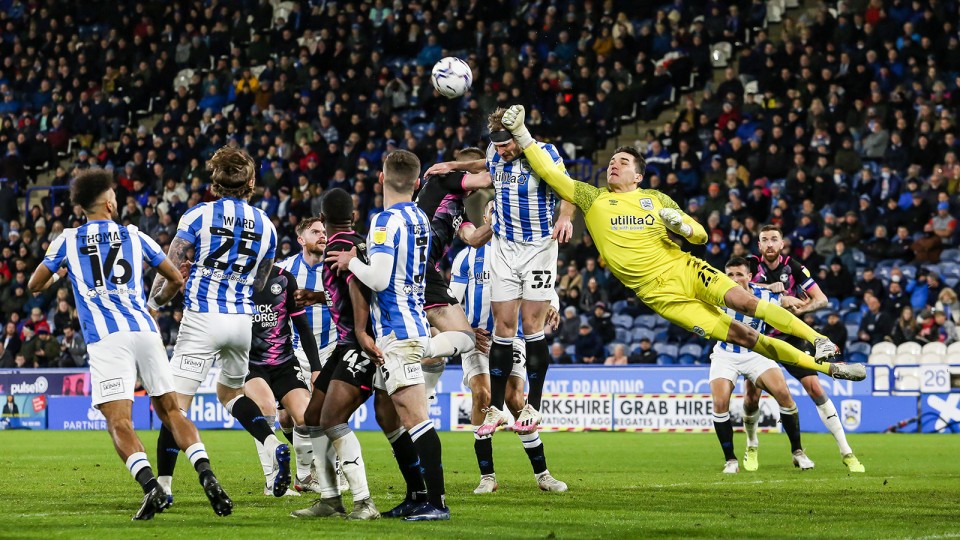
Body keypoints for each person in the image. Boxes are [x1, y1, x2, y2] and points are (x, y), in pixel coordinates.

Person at [496, 105, 863, 385]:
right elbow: (549, 172)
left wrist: (682, 224)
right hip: (659, 295)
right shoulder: (592, 198)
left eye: (622, 162)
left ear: (638, 174)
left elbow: (701, 237)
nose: (613, 165)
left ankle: (820, 341)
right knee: (745, 336)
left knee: (746, 302)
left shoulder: (655, 198)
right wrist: (522, 132)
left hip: (683, 269)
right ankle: (826, 369)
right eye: (611, 161)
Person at [28, 168, 231, 520]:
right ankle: (207, 475)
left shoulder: (67, 240)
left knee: (119, 422)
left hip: (107, 339)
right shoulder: (135, 236)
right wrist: (157, 302)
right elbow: (174, 277)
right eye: (115, 197)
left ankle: (152, 487)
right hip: (145, 330)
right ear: (108, 203)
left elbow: (34, 285)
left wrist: (61, 272)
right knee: (171, 412)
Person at [148, 146, 291, 499]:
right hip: (241, 322)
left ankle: (164, 485)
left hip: (202, 318)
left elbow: (172, 270)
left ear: (214, 183)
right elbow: (260, 284)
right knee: (230, 393)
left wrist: (154, 303)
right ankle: (272, 444)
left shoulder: (197, 217)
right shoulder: (267, 226)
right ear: (251, 182)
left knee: (175, 406)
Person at [426, 108, 577, 436]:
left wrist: (565, 218)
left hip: (537, 247)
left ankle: (532, 405)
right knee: (503, 329)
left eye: (508, 145)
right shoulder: (496, 153)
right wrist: (453, 165)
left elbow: (569, 190)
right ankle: (495, 408)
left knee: (531, 327)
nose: (503, 152)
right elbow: (482, 164)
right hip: (505, 250)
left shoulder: (544, 153)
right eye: (499, 146)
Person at [327, 150, 450, 521]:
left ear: (381, 179)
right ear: (416, 184)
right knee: (390, 415)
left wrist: (352, 262)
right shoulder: (420, 219)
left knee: (415, 419)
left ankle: (436, 502)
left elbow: (378, 278)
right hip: (409, 323)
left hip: (399, 333)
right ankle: (417, 494)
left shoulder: (383, 222)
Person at [451, 199, 567, 494]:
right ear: (487, 217)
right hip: (478, 338)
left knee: (516, 399)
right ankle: (487, 476)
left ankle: (543, 475)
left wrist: (552, 304)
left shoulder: (523, 252)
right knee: (483, 394)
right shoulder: (467, 257)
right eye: (492, 212)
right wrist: (464, 331)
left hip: (510, 337)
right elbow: (451, 300)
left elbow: (542, 285)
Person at [292, 188, 380, 520]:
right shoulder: (355, 241)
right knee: (313, 417)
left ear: (324, 220)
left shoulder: (340, 245)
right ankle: (330, 499)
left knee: (330, 419)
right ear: (353, 216)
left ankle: (363, 502)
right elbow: (343, 291)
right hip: (345, 345)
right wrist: (315, 297)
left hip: (356, 346)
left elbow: (357, 286)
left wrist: (360, 331)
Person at [748, 225, 866, 472]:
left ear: (782, 244)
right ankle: (752, 446)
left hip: (791, 338)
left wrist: (801, 309)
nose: (769, 244)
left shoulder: (794, 267)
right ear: (759, 246)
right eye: (764, 240)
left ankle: (847, 452)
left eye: (774, 239)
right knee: (751, 396)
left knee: (815, 388)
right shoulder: (749, 267)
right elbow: (736, 291)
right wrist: (774, 293)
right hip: (760, 339)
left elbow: (822, 300)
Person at [710, 257, 812, 473]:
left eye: (739, 274)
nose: (734, 279)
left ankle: (798, 452)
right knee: (720, 403)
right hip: (725, 354)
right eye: (729, 275)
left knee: (784, 395)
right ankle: (731, 460)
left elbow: (784, 302)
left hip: (757, 352)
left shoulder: (765, 295)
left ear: (749, 276)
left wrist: (792, 301)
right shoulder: (715, 294)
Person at [412, 147, 487, 399]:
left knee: (449, 344)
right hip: (421, 266)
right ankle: (404, 352)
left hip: (419, 269)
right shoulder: (445, 179)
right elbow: (489, 178)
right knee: (465, 338)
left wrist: (498, 221)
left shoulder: (456, 205)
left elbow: (474, 238)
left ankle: (425, 394)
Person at [243, 264, 320, 496]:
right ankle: (271, 481)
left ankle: (304, 476)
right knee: (265, 407)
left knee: (305, 416)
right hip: (250, 363)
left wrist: (316, 368)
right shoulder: (238, 278)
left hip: (284, 363)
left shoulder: (284, 279)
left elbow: (303, 327)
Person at [275, 217, 339, 494]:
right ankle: (306, 465)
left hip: (333, 346)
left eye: (324, 231)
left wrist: (316, 295)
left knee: (331, 412)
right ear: (301, 239)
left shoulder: (336, 267)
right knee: (288, 418)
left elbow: (351, 297)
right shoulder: (285, 270)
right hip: (295, 349)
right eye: (315, 232)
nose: (322, 236)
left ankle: (331, 472)